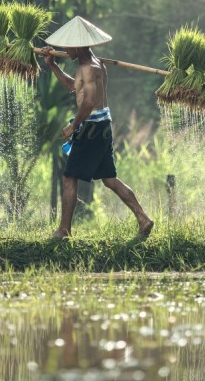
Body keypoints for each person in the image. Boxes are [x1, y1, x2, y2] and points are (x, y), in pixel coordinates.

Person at [39, 16, 154, 239]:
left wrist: (73, 126)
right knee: (109, 179)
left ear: (78, 45)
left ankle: (64, 230)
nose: (65, 49)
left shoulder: (90, 68)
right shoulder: (93, 65)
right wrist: (52, 65)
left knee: (69, 177)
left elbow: (89, 102)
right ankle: (143, 218)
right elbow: (74, 87)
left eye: (68, 45)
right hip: (102, 126)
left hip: (91, 127)